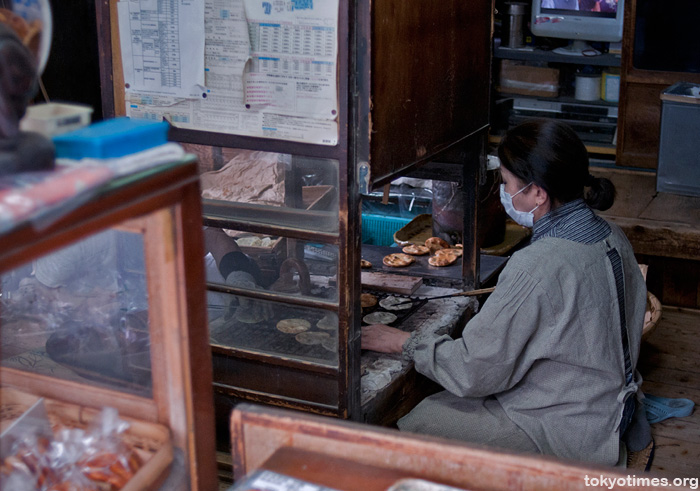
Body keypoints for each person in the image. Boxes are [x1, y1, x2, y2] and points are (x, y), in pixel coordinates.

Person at [362, 119, 652, 466]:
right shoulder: (612, 235)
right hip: (611, 406)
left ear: (538, 193)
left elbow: (473, 372)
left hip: (571, 429)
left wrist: (402, 342)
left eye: (507, 184)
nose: (504, 194)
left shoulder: (538, 265)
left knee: (422, 419)